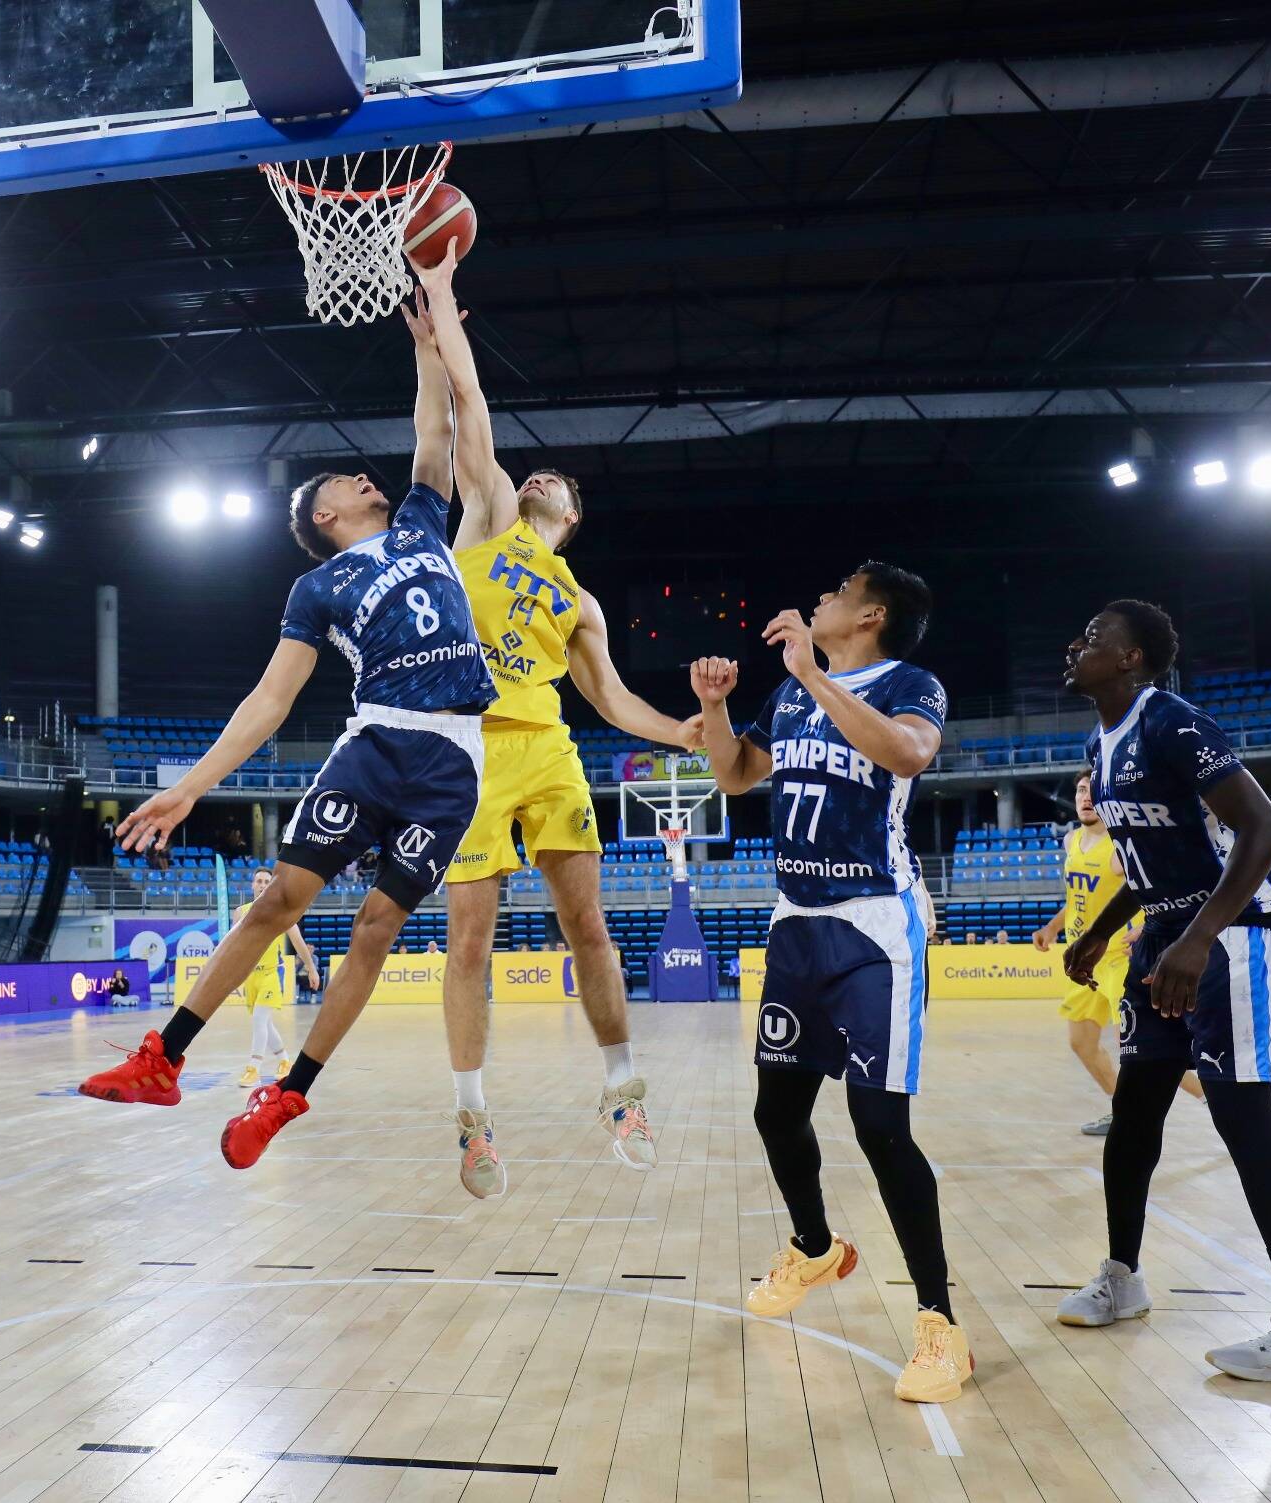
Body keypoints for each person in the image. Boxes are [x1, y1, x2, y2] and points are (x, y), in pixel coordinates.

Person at [77, 296, 496, 1174]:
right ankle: (165, 1056)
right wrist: (192, 783)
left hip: (456, 759)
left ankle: (289, 1092)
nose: (362, 478)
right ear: (325, 517)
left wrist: (424, 346)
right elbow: (271, 697)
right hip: (379, 742)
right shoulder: (318, 590)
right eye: (346, 480)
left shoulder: (421, 522)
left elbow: (435, 434)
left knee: (378, 928)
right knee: (276, 904)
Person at [416, 256, 700, 1197]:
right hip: (467, 753)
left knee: (589, 926)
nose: (541, 477)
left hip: (547, 752)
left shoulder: (579, 601)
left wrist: (686, 733)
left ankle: (624, 1090)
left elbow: (612, 700)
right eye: (539, 472)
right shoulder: (488, 516)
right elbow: (468, 398)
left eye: (561, 485)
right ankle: (472, 1119)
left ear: (571, 520)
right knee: (468, 942)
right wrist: (440, 310)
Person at [690, 561, 972, 1406]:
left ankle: (939, 1325)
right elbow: (737, 774)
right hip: (797, 921)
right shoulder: (790, 695)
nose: (820, 597)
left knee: (880, 1127)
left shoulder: (911, 682)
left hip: (876, 925)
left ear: (870, 613)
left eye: (837, 591)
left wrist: (813, 672)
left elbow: (911, 753)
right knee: (776, 1110)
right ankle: (815, 1246)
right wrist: (714, 708)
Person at [1054, 600, 1271, 1381]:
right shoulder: (1102, 739)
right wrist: (1099, 931)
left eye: (1094, 639)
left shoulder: (1172, 722)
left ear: (1131, 659)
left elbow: (1264, 830)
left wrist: (1196, 938)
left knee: (1241, 1112)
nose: (1076, 647)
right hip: (1169, 930)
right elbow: (1151, 861)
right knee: (1135, 1112)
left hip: (1239, 929)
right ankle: (1123, 1276)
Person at [1034, 771, 1201, 1137]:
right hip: (1083, 961)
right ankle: (1122, 1112)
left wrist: (1148, 924)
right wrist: (1052, 927)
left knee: (1149, 1051)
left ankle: (1215, 1098)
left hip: (1119, 960)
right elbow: (1078, 900)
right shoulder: (1071, 842)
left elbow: (1158, 888)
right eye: (1080, 790)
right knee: (1080, 1042)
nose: (1086, 797)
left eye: (1094, 791)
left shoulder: (1123, 847)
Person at [230, 866, 319, 1088]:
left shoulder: (281, 913)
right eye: (258, 881)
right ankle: (285, 1062)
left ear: (270, 886)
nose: (261, 885)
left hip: (272, 973)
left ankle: (254, 1069)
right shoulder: (241, 912)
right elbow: (232, 945)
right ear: (252, 884)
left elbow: (298, 941)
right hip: (250, 976)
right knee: (265, 1024)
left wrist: (310, 967)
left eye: (265, 881)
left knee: (260, 1020)